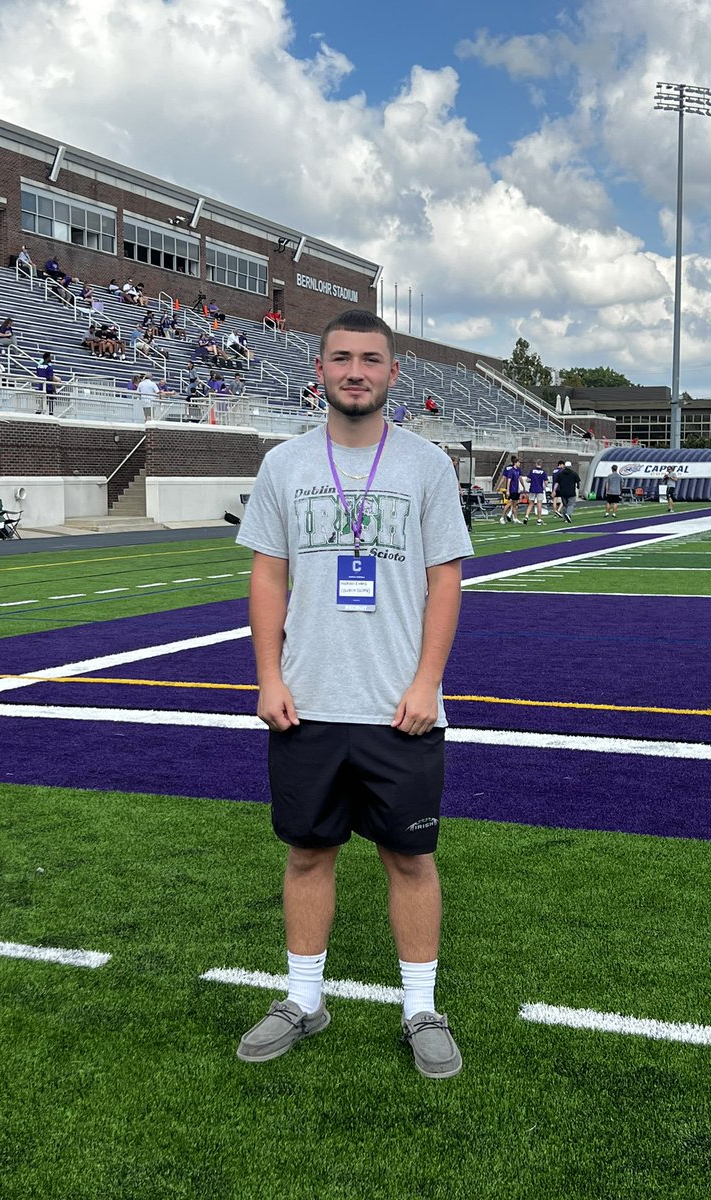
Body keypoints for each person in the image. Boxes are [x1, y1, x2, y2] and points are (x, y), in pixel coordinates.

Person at [234, 309, 473, 1079]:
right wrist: (269, 676)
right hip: (306, 700)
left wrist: (427, 684)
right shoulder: (285, 465)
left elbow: (446, 582)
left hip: (399, 707)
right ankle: (304, 999)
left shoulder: (427, 467)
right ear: (320, 371)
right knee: (308, 852)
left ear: (394, 373)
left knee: (410, 858)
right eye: (342, 358)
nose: (356, 371)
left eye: (371, 358)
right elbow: (268, 574)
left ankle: (421, 1009)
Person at [523, 460, 548, 524]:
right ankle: (539, 519)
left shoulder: (532, 471)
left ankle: (526, 516)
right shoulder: (543, 472)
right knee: (539, 504)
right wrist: (545, 486)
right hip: (539, 489)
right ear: (541, 464)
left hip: (532, 489)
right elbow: (546, 482)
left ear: (536, 464)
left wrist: (531, 481)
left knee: (531, 503)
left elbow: (527, 479)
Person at [499, 455, 522, 524]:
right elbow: (508, 481)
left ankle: (515, 518)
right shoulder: (511, 471)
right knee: (509, 504)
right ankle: (502, 517)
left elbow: (518, 480)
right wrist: (508, 490)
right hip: (511, 490)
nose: (519, 464)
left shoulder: (517, 471)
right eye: (518, 462)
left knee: (515, 505)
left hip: (516, 490)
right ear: (515, 463)